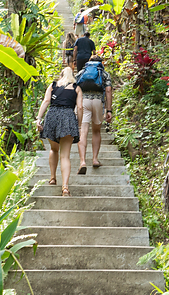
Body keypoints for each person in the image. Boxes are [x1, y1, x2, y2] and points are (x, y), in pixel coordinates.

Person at [34, 67, 83, 196]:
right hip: (68, 117)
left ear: (61, 75)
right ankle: (65, 187)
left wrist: (39, 118)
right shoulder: (76, 88)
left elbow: (46, 101)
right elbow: (80, 107)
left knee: (53, 149)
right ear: (73, 75)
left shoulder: (53, 85)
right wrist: (78, 125)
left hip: (52, 116)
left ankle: (52, 178)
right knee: (65, 155)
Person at [76, 55, 112, 174]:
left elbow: (75, 87)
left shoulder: (82, 72)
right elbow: (108, 90)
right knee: (96, 131)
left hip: (83, 102)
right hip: (97, 102)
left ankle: (82, 162)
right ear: (101, 63)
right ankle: (95, 159)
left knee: (83, 131)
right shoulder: (104, 74)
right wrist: (109, 110)